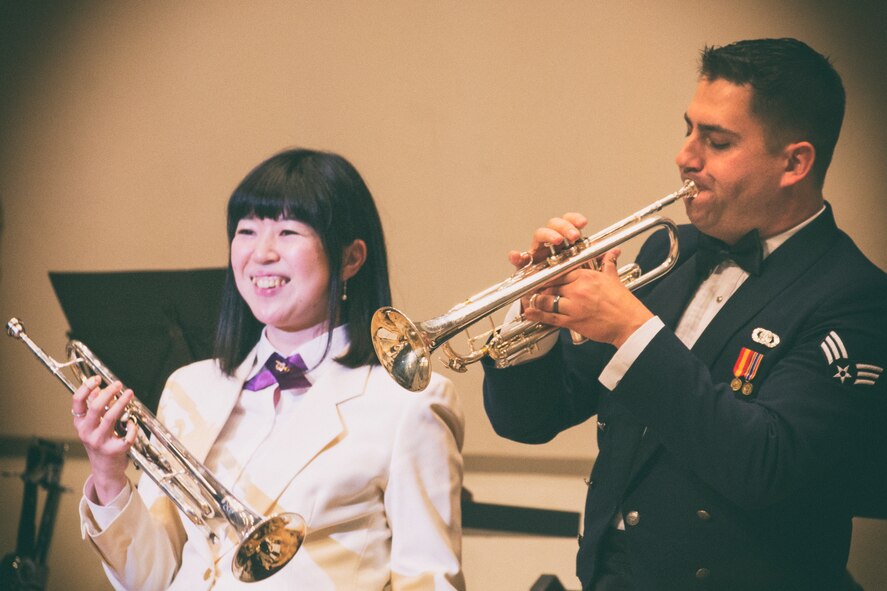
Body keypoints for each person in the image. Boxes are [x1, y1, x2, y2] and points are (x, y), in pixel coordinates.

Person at [482, 38, 887, 590]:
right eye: (689, 129)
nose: (686, 156)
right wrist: (535, 315)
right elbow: (530, 420)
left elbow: (765, 464)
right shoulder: (670, 253)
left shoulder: (855, 296)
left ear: (795, 162)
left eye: (717, 141)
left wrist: (630, 329)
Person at [70, 148, 466, 590]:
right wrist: (108, 474)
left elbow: (430, 580)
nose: (261, 253)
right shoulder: (190, 387)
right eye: (246, 230)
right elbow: (151, 578)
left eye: (288, 231)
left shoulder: (406, 402)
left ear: (351, 258)